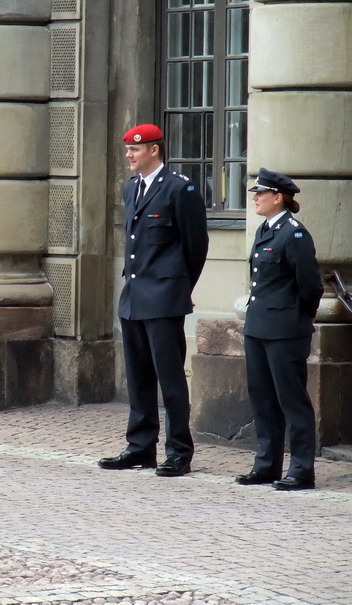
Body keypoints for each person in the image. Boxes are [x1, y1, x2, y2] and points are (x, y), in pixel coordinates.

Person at [99, 123, 209, 477]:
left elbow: (195, 246)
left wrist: (177, 287)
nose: (129, 155)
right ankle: (140, 446)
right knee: (139, 377)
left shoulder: (179, 188)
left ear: (154, 150)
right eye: (128, 148)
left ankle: (179, 450)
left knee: (170, 378)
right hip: (134, 295)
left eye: (136, 149)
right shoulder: (131, 188)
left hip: (164, 297)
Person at [235, 169, 323, 491]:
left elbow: (310, 285)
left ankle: (301, 469)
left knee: (292, 399)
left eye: (261, 193)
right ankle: (266, 464)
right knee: (263, 399)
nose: (255, 198)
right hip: (258, 326)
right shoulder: (264, 230)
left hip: (286, 329)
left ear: (278, 197)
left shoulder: (294, 234)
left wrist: (301, 318)